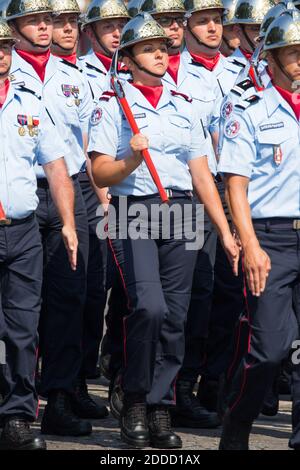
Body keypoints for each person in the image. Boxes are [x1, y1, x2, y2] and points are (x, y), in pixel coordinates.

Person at [88, 11, 238, 449]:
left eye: (162, 48)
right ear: (128, 59)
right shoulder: (112, 102)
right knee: (148, 308)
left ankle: (159, 405)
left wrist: (225, 230)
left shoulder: (183, 103)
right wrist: (132, 160)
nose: (159, 54)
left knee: (176, 317)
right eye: (148, 49)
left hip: (183, 213)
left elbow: (201, 174)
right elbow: (99, 172)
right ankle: (133, 396)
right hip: (135, 209)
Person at [5, 0, 98, 436]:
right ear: (14, 27)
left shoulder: (75, 77)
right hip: (19, 192)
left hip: (68, 190)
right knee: (21, 305)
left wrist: (99, 196)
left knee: (68, 295)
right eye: (34, 21)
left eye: (52, 20)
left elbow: (85, 142)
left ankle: (59, 397)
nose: (45, 28)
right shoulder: (8, 69)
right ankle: (15, 400)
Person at [218, 7, 300, 449]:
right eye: (293, 52)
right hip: (271, 239)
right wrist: (249, 246)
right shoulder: (248, 105)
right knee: (268, 352)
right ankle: (237, 423)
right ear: (270, 56)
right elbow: (236, 185)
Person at [0, 19, 77, 450]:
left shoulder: (29, 103)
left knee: (23, 328)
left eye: (4, 47)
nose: (0, 54)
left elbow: (56, 166)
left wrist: (68, 222)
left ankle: (17, 416)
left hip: (24, 230)